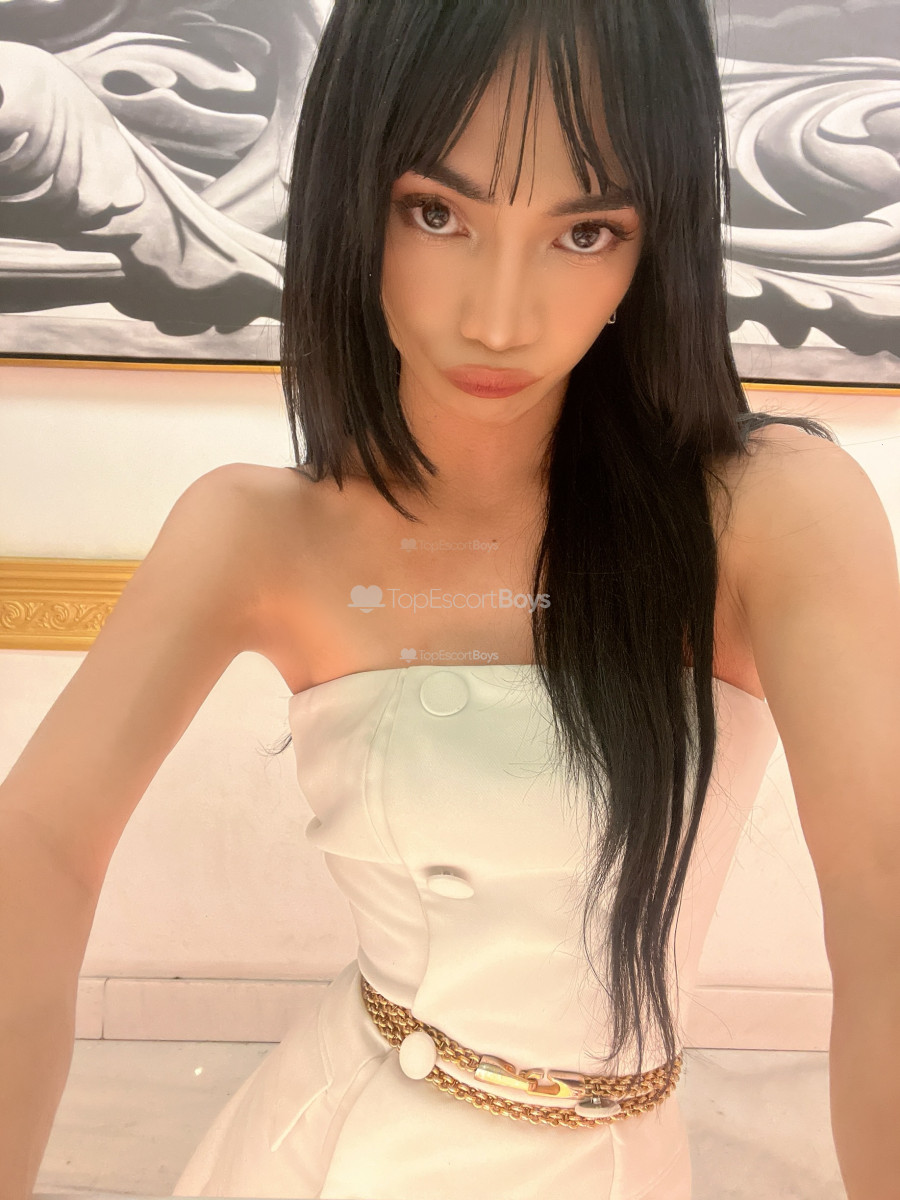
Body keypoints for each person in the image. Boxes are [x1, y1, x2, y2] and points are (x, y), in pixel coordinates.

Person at [1, 1, 898, 1198]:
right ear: (352, 197)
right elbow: (38, 845)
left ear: (656, 241)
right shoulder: (259, 530)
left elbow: (885, 891)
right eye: (438, 213)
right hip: (330, 1150)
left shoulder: (767, 511)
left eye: (585, 230)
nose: (497, 317)